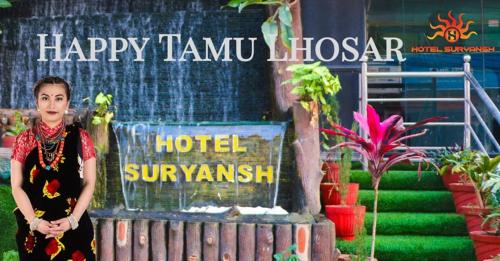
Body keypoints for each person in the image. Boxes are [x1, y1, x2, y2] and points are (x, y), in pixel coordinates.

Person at [10, 76, 97, 261]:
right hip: (35, 230)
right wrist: (34, 221)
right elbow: (16, 186)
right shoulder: (24, 140)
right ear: (37, 102)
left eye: (58, 98)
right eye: (45, 98)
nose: (52, 104)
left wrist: (72, 221)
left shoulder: (81, 137)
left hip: (74, 227)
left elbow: (90, 183)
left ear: (67, 102)